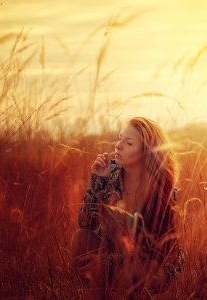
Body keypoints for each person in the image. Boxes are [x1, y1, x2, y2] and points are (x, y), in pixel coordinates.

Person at [71, 117, 185, 299]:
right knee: (81, 238)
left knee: (137, 271)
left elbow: (153, 248)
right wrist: (97, 180)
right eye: (119, 138)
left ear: (146, 152)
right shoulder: (110, 171)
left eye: (128, 143)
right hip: (114, 250)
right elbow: (86, 223)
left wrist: (105, 262)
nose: (118, 146)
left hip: (151, 262)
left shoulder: (163, 187)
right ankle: (99, 294)